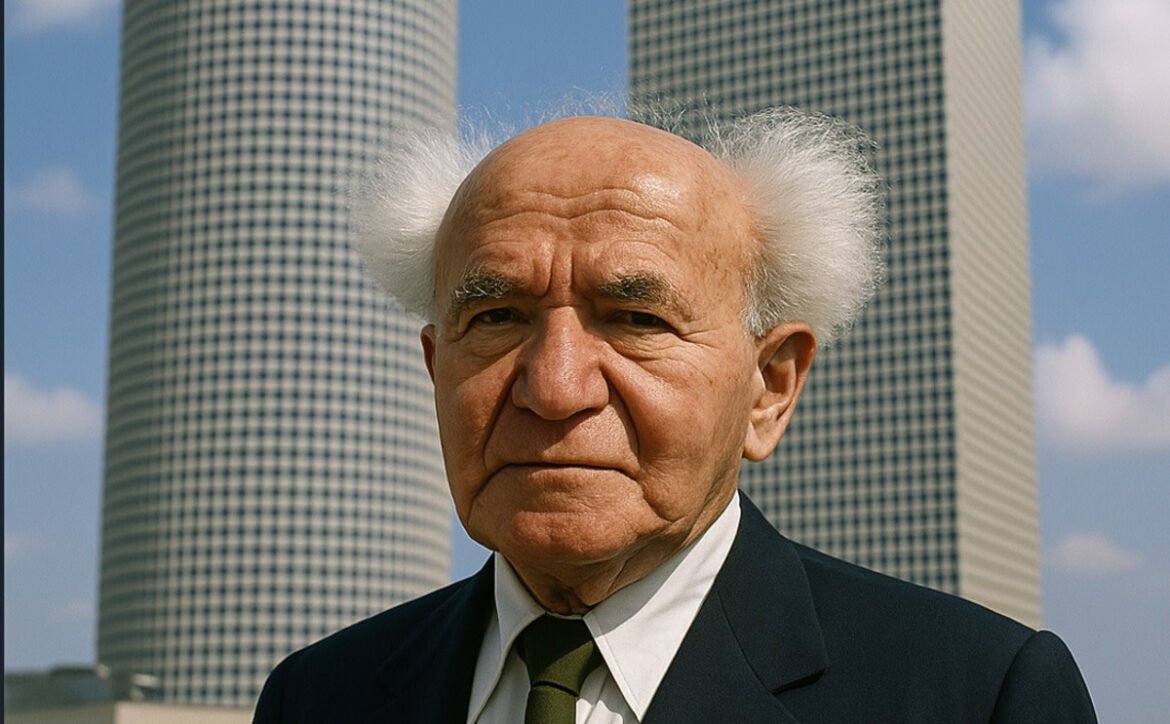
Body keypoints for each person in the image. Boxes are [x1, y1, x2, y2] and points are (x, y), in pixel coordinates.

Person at [254, 110, 1096, 723]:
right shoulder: (318, 698)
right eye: (497, 316)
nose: (555, 387)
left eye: (636, 320)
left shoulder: (975, 696)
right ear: (437, 368)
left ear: (770, 387)